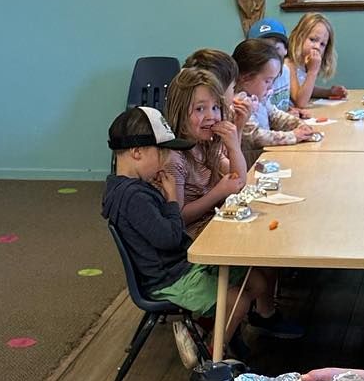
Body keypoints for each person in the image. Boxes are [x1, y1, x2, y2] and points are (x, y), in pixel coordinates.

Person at [101, 105, 279, 366]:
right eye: (161, 151)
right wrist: (173, 198)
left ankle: (212, 334)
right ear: (136, 152)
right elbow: (171, 238)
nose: (165, 160)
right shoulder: (133, 197)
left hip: (178, 265)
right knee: (238, 300)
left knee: (257, 282)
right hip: (167, 277)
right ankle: (208, 359)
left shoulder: (131, 188)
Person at [158, 64, 248, 231]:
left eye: (215, 107)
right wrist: (218, 193)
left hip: (214, 222)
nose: (211, 116)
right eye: (200, 109)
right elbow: (178, 218)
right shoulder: (174, 158)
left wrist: (234, 146)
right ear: (180, 113)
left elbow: (239, 182)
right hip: (192, 238)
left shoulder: (205, 144)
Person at [232, 37, 317, 149]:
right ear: (246, 78)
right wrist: (293, 136)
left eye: (273, 80)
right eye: (267, 81)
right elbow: (254, 136)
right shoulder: (239, 104)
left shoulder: (258, 97)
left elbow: (275, 115)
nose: (271, 86)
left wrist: (298, 124)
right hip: (251, 163)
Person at [286, 14, 349, 106]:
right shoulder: (289, 64)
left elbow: (306, 89)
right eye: (313, 39)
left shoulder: (304, 64)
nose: (317, 47)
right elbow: (300, 102)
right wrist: (312, 71)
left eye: (322, 44)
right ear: (299, 37)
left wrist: (329, 92)